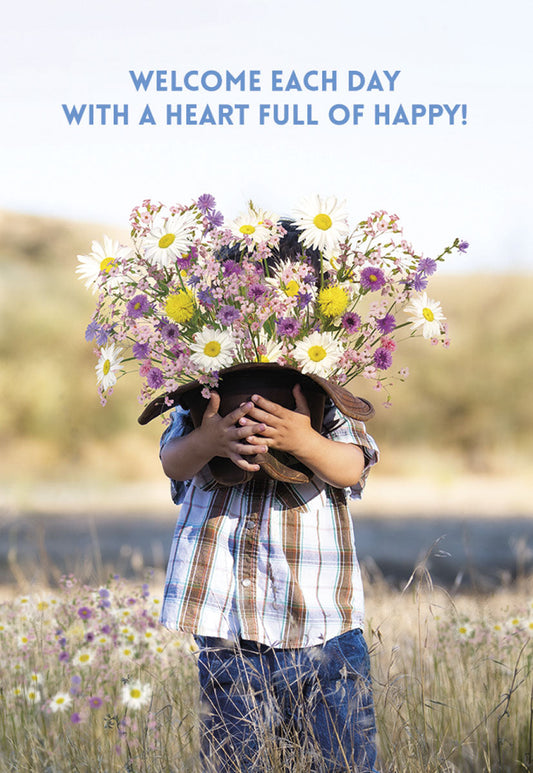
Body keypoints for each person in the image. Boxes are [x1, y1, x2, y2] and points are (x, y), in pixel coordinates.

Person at [159, 380, 380, 772]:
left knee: (341, 762)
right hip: (229, 630)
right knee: (236, 761)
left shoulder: (323, 399)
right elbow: (172, 461)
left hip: (321, 630)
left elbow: (352, 467)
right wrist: (209, 441)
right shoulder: (205, 398)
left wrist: (303, 440)